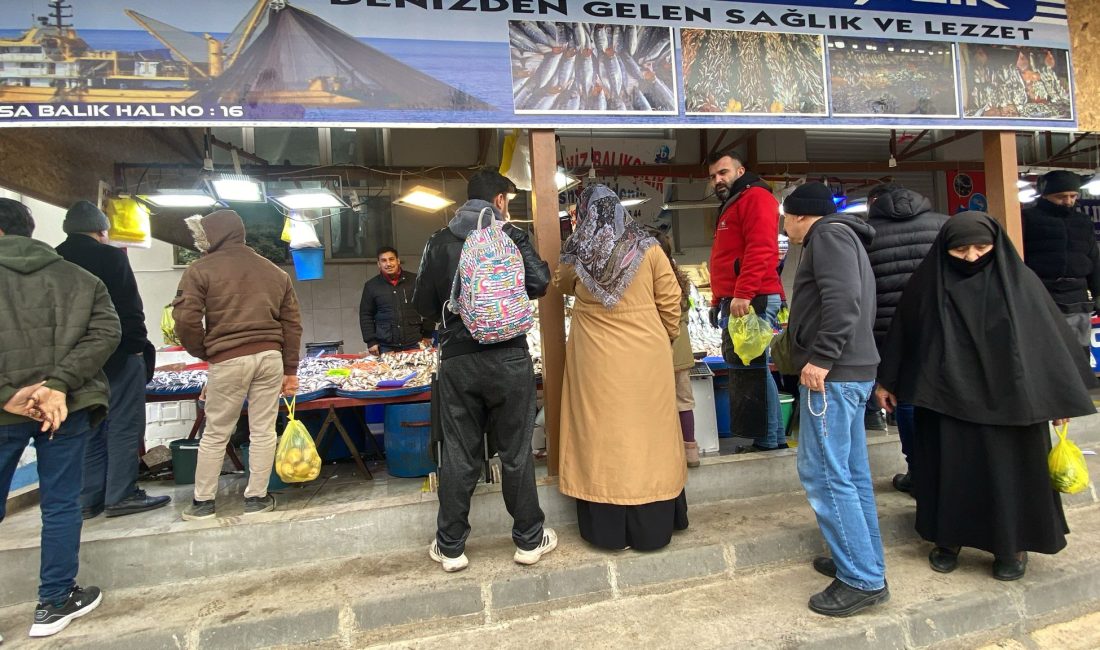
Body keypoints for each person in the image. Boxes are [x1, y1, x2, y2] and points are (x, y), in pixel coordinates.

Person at [876, 211, 1095, 581]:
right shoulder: (926, 284)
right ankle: (948, 541)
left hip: (1012, 404)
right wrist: (887, 382)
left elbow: (1049, 344)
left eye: (982, 247)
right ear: (945, 249)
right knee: (950, 472)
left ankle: (1011, 545)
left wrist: (1058, 401)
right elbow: (904, 334)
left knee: (1009, 476)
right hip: (945, 398)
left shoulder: (1021, 284)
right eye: (961, 250)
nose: (973, 257)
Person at [413, 168, 556, 572]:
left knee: (459, 452)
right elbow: (541, 282)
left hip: (459, 360)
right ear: (498, 201)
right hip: (510, 357)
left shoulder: (438, 242)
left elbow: (422, 304)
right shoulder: (510, 236)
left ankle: (451, 548)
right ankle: (530, 540)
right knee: (515, 451)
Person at [0, 198, 120, 637]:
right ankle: (52, 602)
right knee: (61, 503)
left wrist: (8, 396)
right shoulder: (81, 279)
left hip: (5, 412)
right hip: (64, 409)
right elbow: (108, 331)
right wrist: (58, 384)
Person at [556, 185, 688, 551]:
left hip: (594, 362)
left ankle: (608, 531)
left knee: (601, 437)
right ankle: (652, 527)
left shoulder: (579, 253)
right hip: (647, 358)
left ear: (583, 215)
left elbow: (559, 283)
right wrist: (663, 338)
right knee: (650, 436)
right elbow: (671, 300)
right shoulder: (649, 249)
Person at [782, 182, 887, 617]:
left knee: (824, 472)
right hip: (852, 370)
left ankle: (861, 578)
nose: (784, 226)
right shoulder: (845, 236)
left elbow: (844, 301)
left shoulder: (827, 235)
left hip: (835, 374)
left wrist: (821, 357)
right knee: (851, 473)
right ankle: (861, 560)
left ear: (800, 215)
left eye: (785, 217)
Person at [172, 210, 303, 520]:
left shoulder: (199, 270)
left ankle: (203, 502)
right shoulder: (274, 272)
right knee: (263, 429)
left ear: (212, 236)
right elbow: (292, 324)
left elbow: (185, 319)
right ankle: (257, 498)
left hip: (228, 359)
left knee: (216, 431)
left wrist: (205, 350)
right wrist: (290, 370)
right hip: (270, 357)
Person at [55, 200, 171, 519]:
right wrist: (137, 348)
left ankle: (89, 498)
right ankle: (121, 495)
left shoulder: (55, 259)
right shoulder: (110, 257)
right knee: (124, 424)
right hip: (117, 355)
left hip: (74, 361)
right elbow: (128, 306)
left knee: (89, 423)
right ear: (101, 231)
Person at [863, 184, 948, 493]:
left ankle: (918, 471)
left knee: (906, 401)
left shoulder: (867, 232)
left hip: (889, 332)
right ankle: (948, 469)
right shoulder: (943, 224)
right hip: (941, 330)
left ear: (875, 203)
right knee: (946, 399)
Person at [706, 152, 785, 452]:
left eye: (723, 172)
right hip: (740, 298)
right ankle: (771, 438)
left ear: (741, 170)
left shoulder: (756, 198)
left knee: (751, 369)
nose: (718, 180)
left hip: (754, 298)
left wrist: (744, 293)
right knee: (755, 369)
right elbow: (725, 259)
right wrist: (718, 299)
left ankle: (766, 440)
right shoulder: (732, 204)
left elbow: (762, 248)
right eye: (713, 176)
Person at [1021, 170, 1100, 358]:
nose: (1068, 201)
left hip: (1078, 296)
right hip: (1042, 294)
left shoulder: (1083, 221)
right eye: (1061, 196)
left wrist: (1098, 292)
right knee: (1046, 352)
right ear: (1045, 195)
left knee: (1078, 354)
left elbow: (1094, 259)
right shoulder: (1027, 219)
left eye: (1073, 196)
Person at [656, 232, 700, 468]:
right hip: (681, 348)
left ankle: (667, 452)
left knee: (658, 402)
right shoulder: (678, 276)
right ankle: (690, 450)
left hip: (662, 348)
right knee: (684, 401)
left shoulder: (655, 276)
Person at [359, 246, 433, 355]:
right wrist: (371, 341)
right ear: (378, 264)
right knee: (389, 372)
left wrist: (427, 333)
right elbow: (366, 315)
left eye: (391, 259)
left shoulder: (415, 281)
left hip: (414, 343)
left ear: (398, 261)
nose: (388, 264)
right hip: (386, 346)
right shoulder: (371, 286)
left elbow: (428, 307)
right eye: (384, 261)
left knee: (419, 372)